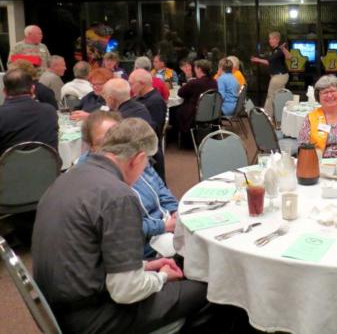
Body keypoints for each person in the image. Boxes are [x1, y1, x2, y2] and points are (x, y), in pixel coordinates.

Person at [31, 118, 216, 333]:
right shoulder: (119, 196)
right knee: (213, 287)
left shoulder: (69, 177)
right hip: (95, 317)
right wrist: (163, 277)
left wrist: (145, 266)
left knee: (183, 268)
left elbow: (88, 255)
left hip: (61, 306)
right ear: (138, 159)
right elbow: (126, 291)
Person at [80, 111, 178, 259]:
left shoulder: (131, 153)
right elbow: (122, 228)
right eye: (103, 142)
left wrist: (174, 209)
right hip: (142, 245)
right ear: (91, 146)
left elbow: (159, 186)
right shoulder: (95, 179)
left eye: (116, 139)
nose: (112, 147)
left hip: (165, 225)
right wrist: (163, 226)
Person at [0, 69, 58, 155]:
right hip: (48, 163)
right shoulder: (49, 110)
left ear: (4, 91)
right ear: (33, 88)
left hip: (12, 163)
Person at [251, 31, 290, 117]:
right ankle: (280, 116)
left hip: (279, 76)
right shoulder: (274, 50)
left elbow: (289, 57)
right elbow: (269, 62)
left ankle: (266, 117)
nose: (269, 41)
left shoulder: (280, 50)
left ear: (276, 39)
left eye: (271, 39)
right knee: (279, 96)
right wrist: (257, 60)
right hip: (278, 76)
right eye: (269, 39)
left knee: (271, 96)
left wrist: (283, 49)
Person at [178, 59, 216, 134]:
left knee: (176, 110)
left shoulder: (194, 82)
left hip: (194, 114)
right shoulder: (214, 82)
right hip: (210, 112)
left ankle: (180, 136)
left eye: (195, 68)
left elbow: (180, 93)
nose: (194, 70)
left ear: (199, 69)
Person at [129, 69, 167, 136]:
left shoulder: (155, 102)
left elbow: (154, 129)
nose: (130, 87)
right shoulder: (139, 97)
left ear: (142, 84)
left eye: (131, 84)